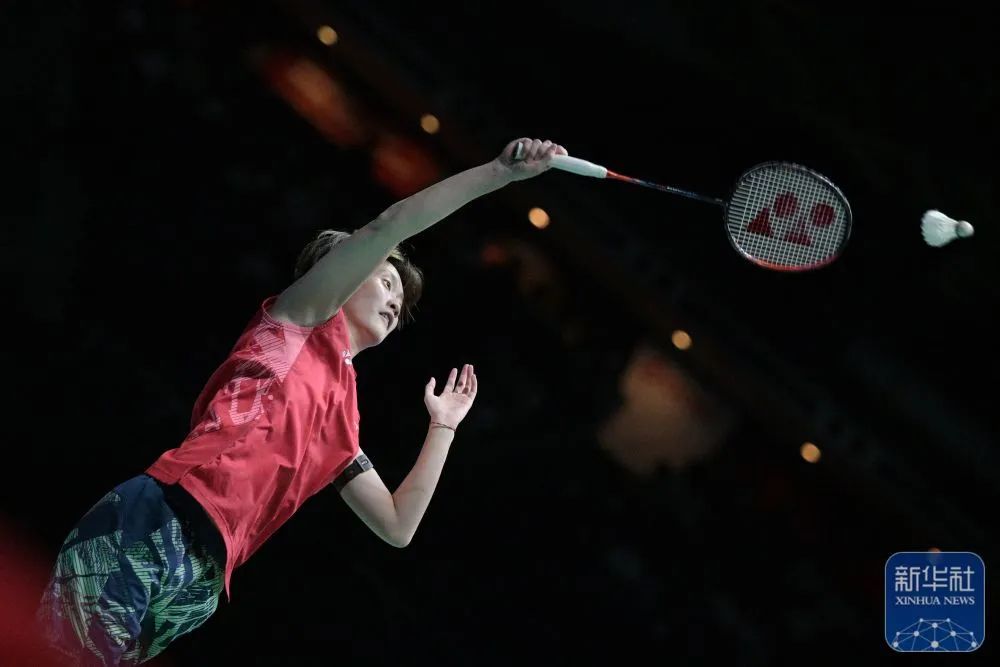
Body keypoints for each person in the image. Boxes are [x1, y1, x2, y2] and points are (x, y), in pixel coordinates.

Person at [35, 137, 568, 665]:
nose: (393, 299)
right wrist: (499, 173)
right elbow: (394, 223)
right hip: (166, 517)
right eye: (384, 279)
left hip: (202, 583)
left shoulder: (344, 417)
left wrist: (443, 427)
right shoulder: (295, 323)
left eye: (399, 300)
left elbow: (397, 525)